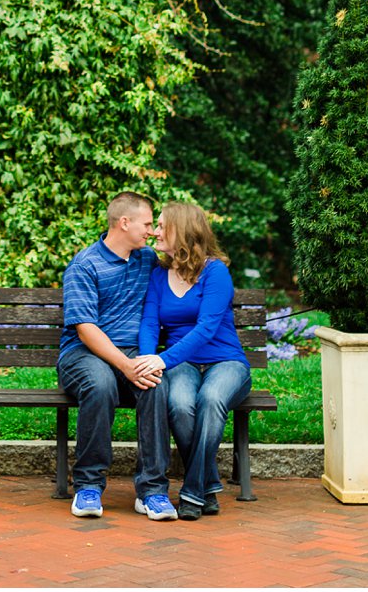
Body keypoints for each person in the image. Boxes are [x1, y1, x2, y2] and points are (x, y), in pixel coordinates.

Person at [57, 191, 178, 521]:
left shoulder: (147, 259)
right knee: (100, 385)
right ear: (124, 223)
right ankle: (88, 485)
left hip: (132, 353)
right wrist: (126, 366)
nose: (152, 231)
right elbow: (85, 329)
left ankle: (152, 491)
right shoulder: (85, 265)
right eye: (148, 224)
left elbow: (185, 267)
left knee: (154, 384)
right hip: (83, 354)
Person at [133, 201, 252, 521]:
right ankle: (207, 486)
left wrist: (162, 360)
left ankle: (192, 491)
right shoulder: (159, 274)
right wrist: (148, 359)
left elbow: (207, 328)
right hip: (182, 364)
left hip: (225, 362)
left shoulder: (215, 272)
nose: (155, 232)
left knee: (211, 398)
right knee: (181, 404)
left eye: (161, 226)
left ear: (182, 230)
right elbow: (149, 322)